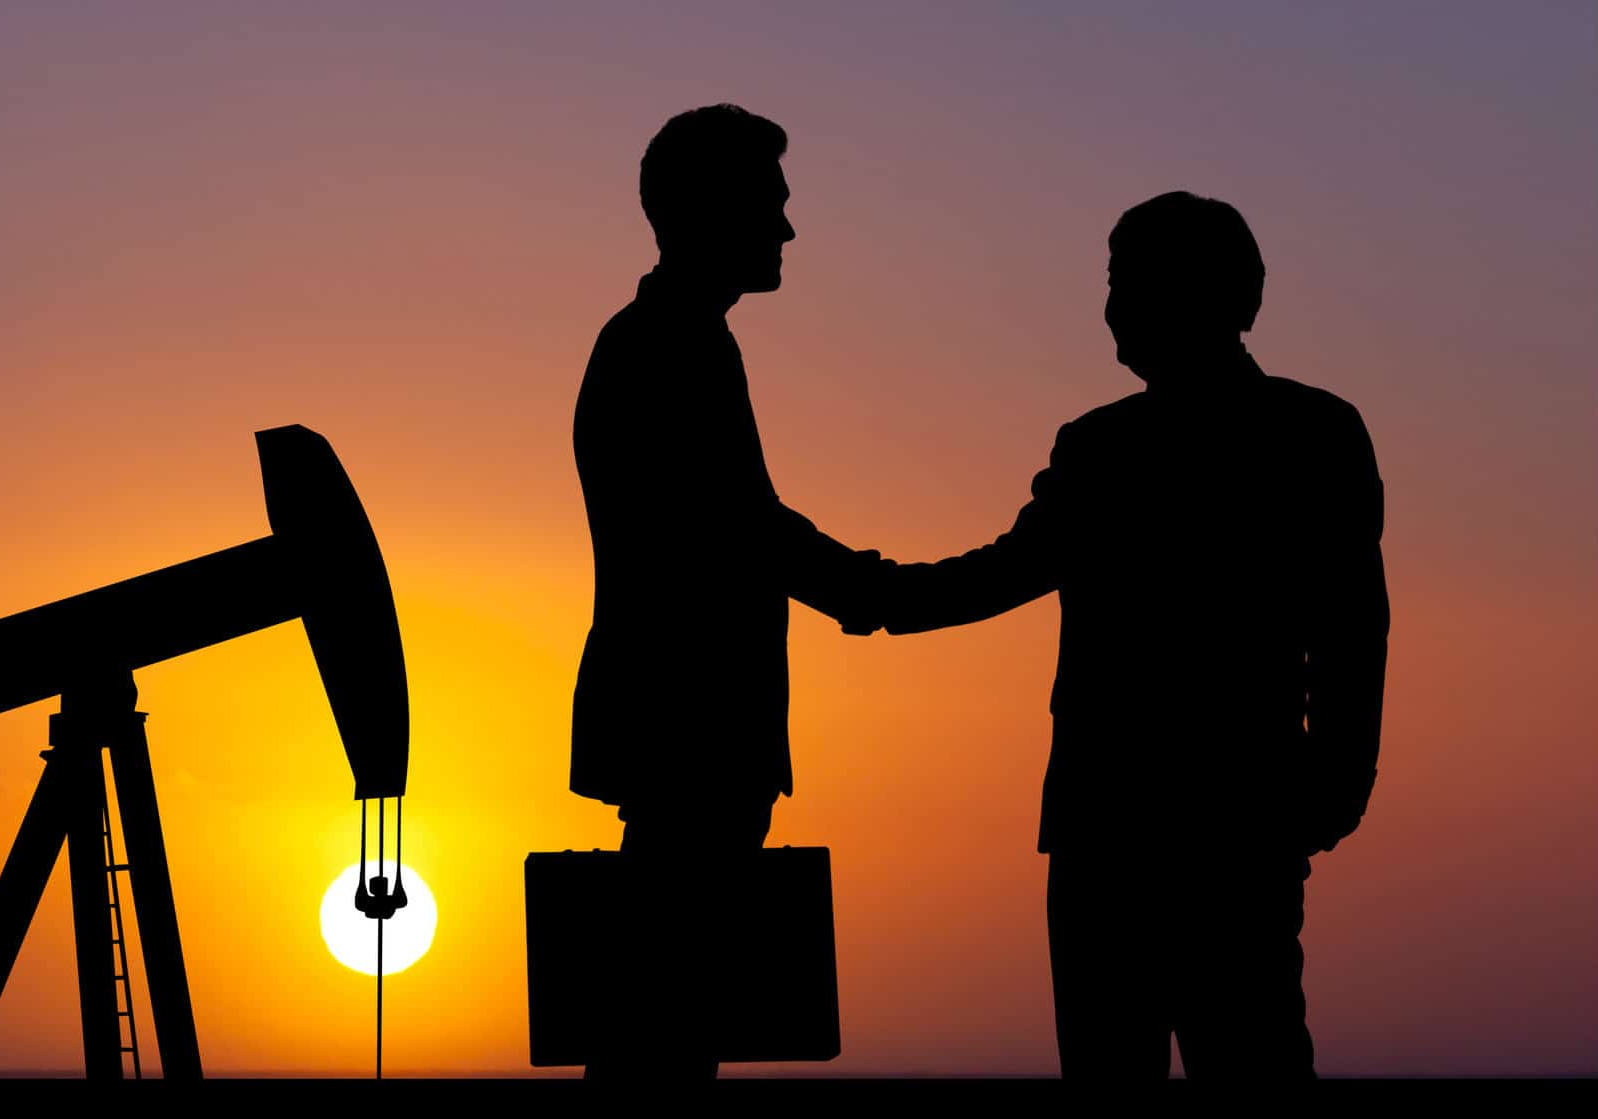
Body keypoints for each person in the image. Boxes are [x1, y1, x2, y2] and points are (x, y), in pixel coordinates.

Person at [862, 191, 1389, 1078]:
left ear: (1228, 297)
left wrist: (1333, 784)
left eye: (1129, 281)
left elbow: (1350, 626)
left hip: (1206, 823)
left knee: (1242, 1056)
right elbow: (1007, 570)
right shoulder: (1105, 445)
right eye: (1114, 282)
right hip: (1135, 829)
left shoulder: (1304, 435)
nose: (1113, 306)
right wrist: (870, 591)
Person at [570, 103, 892, 1079]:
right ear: (710, 210)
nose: (788, 229)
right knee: (664, 1033)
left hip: (688, 732)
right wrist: (875, 590)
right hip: (691, 731)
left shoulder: (671, 339)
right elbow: (740, 527)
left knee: (662, 1027)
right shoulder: (669, 345)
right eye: (771, 204)